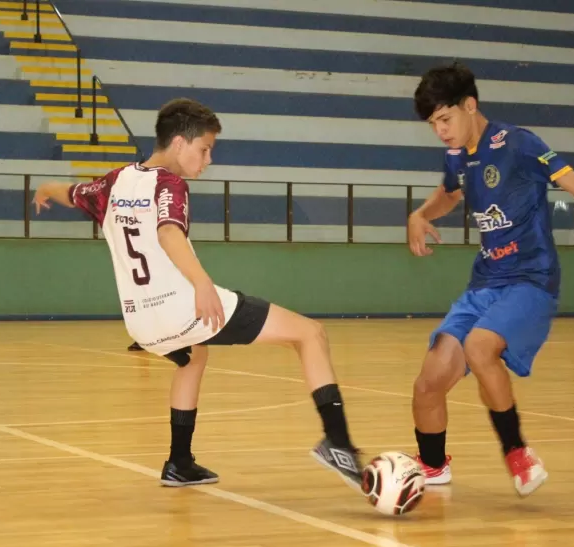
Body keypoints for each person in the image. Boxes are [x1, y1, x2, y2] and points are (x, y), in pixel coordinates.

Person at [33, 98, 362, 489]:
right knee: (310, 334)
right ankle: (339, 443)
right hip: (184, 308)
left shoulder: (112, 183)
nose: (207, 160)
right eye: (204, 149)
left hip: (141, 324)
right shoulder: (170, 184)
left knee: (193, 357)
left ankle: (179, 462)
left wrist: (43, 190)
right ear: (178, 144)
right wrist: (202, 284)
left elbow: (69, 191)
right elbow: (168, 231)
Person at [407, 63, 574, 497]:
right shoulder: (457, 155)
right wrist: (420, 214)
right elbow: (450, 193)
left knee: (480, 348)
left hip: (530, 282)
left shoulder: (517, 144)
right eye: (433, 125)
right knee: (428, 384)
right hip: (483, 284)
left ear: (470, 105)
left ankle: (517, 452)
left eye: (446, 119)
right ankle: (432, 466)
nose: (441, 131)